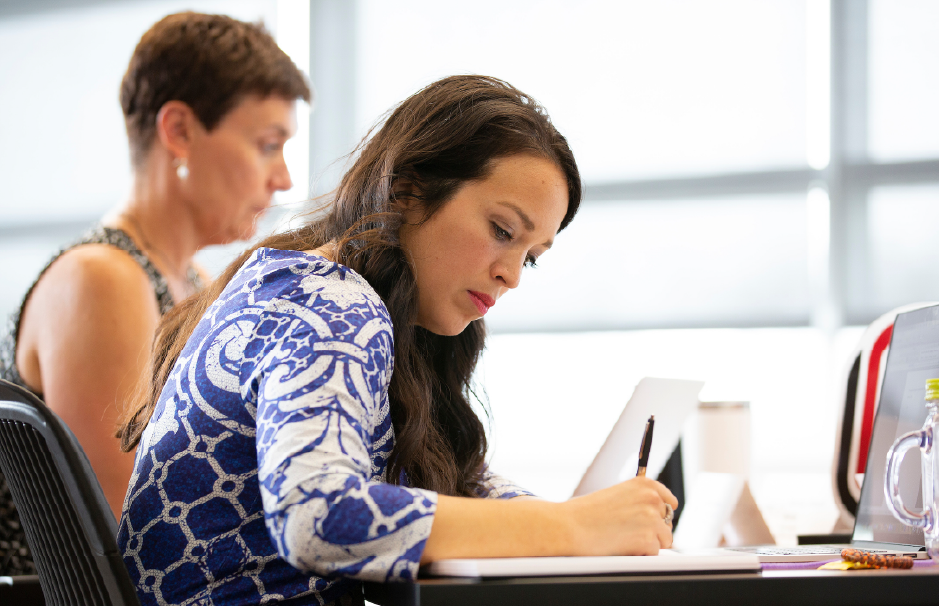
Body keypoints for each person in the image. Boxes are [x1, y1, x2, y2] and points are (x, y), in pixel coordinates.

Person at [117, 75, 677, 606]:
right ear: (407, 192)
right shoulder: (332, 303)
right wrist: (570, 527)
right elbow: (320, 516)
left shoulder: (305, 285)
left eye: (529, 256)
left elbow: (459, 481)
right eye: (502, 231)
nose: (512, 275)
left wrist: (584, 522)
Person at [0, 12, 310, 575]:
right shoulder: (102, 279)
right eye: (268, 144)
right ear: (180, 131)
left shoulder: (187, 280)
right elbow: (138, 534)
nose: (284, 178)